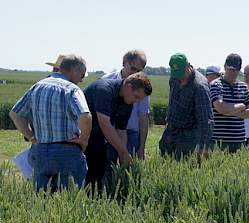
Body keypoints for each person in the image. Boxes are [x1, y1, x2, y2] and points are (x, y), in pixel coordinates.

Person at [10, 54, 91, 192]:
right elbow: (85, 116)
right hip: (67, 151)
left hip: (40, 150)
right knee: (70, 200)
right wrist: (84, 140)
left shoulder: (37, 86)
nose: (82, 79)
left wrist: (31, 137)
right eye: (82, 75)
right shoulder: (71, 89)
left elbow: (15, 113)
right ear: (74, 71)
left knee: (42, 199)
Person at [83, 72, 152, 191]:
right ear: (129, 87)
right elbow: (105, 124)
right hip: (79, 139)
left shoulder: (127, 101)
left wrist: (122, 155)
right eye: (136, 97)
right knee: (83, 179)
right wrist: (123, 152)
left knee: (98, 179)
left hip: (97, 139)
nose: (136, 101)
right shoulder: (104, 90)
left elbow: (121, 130)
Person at [159, 53, 214, 160]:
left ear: (189, 66)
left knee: (183, 166)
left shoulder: (200, 86)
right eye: (176, 74)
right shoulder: (174, 78)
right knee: (164, 162)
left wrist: (203, 146)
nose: (181, 79)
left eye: (182, 74)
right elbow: (172, 103)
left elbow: (206, 119)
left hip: (190, 136)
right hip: (171, 130)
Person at [101, 50, 150, 159]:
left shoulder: (143, 87)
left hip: (131, 133)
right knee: (109, 167)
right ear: (124, 63)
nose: (135, 73)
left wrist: (142, 147)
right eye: (133, 68)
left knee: (128, 170)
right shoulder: (107, 80)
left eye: (139, 70)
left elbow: (143, 117)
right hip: (110, 132)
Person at [210, 53, 249, 153]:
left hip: (239, 141)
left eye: (235, 70)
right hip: (219, 142)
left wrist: (229, 111)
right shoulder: (216, 85)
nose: (233, 72)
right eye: (230, 69)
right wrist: (241, 106)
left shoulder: (243, 86)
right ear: (225, 66)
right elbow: (220, 107)